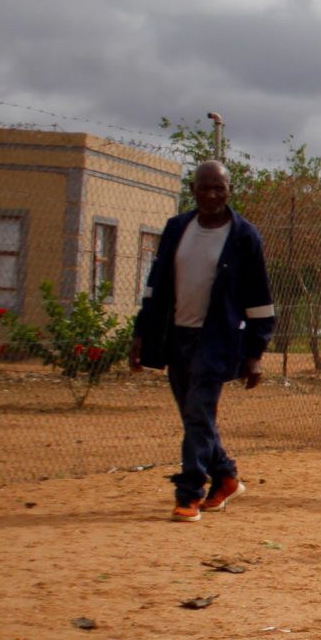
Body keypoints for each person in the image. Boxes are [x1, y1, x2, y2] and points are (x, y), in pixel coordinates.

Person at [128, 161, 275, 521]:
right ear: (192, 190)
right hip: (175, 335)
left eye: (219, 188)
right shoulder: (177, 228)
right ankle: (225, 476)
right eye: (204, 188)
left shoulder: (244, 236)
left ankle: (189, 492)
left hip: (218, 340)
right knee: (194, 415)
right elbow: (155, 286)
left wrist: (255, 353)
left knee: (198, 413)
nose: (211, 195)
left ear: (228, 191)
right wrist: (141, 334)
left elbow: (258, 297)